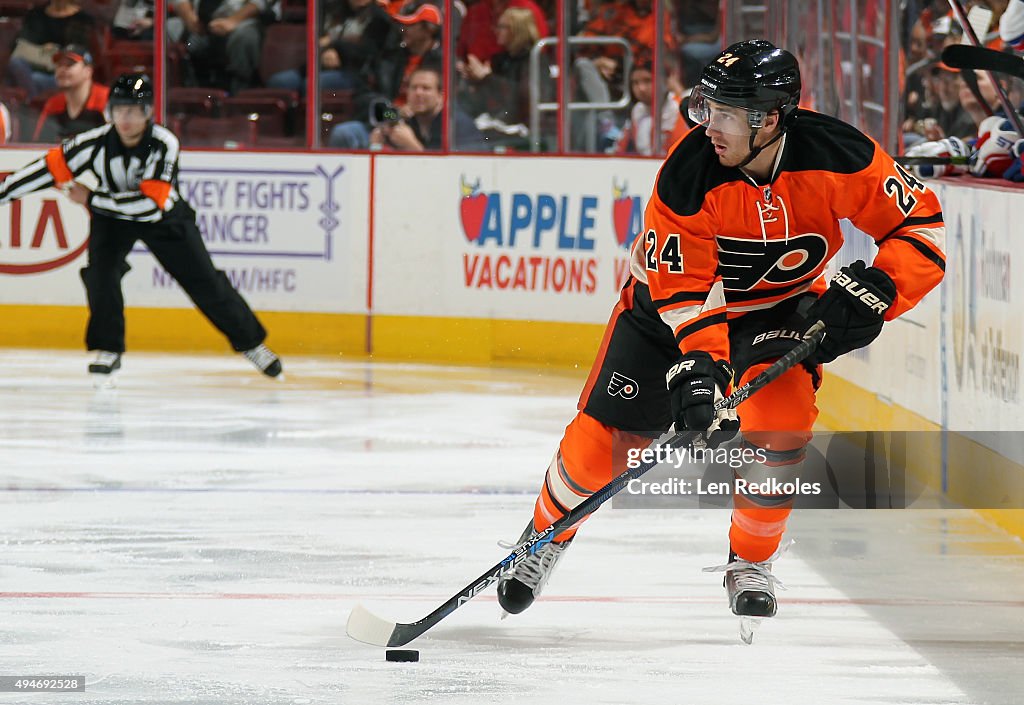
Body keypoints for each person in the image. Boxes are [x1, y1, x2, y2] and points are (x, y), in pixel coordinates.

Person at [496, 41, 946, 627]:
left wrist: (881, 289)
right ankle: (544, 537)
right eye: (708, 108)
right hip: (664, 316)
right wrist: (701, 376)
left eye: (728, 113)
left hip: (778, 311)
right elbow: (683, 293)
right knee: (597, 449)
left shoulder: (840, 154)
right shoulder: (687, 175)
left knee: (780, 430)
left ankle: (750, 561)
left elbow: (922, 227)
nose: (711, 126)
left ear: (770, 119)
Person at [0, 74, 283, 381]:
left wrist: (92, 198)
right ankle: (108, 348)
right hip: (111, 217)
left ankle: (252, 344)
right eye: (119, 110)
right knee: (100, 275)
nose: (126, 118)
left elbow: (149, 207)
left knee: (205, 282)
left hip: (163, 218)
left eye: (134, 110)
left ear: (148, 112)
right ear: (109, 112)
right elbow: (42, 171)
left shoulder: (163, 143)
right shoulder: (93, 143)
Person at [367, 66, 483, 150]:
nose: (418, 93)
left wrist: (412, 146)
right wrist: (377, 144)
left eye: (426, 88)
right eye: (413, 88)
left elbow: (451, 172)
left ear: (441, 96)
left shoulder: (457, 124)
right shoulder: (408, 122)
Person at [4, 0, 95, 98]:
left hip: (57, 73)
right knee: (15, 63)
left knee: (35, 79)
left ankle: (31, 101)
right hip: (27, 67)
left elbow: (78, 53)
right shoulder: (35, 14)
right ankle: (32, 102)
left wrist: (55, 52)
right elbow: (21, 47)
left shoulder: (83, 19)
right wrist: (46, 50)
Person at [33, 45, 109, 143]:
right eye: (59, 65)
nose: (62, 69)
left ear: (88, 71)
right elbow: (38, 145)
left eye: (70, 64)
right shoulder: (53, 104)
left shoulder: (106, 98)